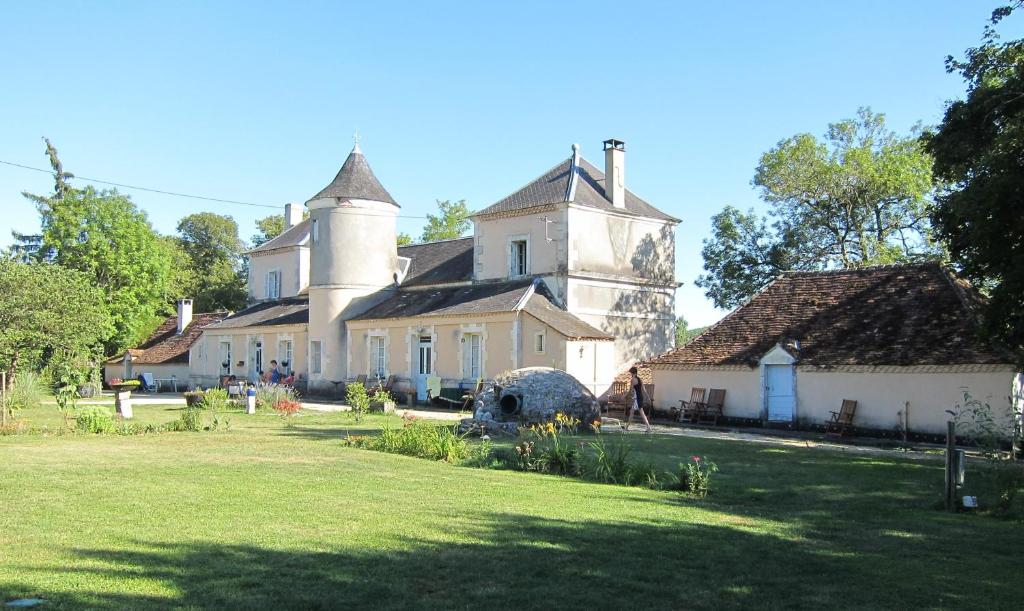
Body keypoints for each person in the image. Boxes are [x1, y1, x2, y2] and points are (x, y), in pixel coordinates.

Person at [623, 366, 652, 433]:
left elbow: (631, 390)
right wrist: (648, 397)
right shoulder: (640, 379)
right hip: (640, 397)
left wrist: (625, 396)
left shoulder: (633, 380)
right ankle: (627, 426)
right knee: (633, 412)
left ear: (634, 373)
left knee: (638, 413)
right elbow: (644, 390)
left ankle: (648, 427)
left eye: (631, 374)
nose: (631, 375)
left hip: (636, 398)